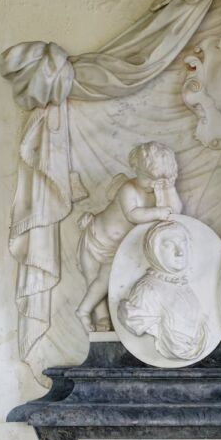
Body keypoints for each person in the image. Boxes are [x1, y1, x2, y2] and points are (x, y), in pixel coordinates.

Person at [76, 141, 182, 333]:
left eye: (160, 180)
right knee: (95, 280)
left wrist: (169, 189)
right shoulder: (129, 188)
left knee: (104, 280)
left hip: (117, 248)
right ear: (136, 169)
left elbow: (174, 212)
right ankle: (88, 313)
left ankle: (97, 317)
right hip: (97, 238)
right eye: (149, 178)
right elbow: (133, 214)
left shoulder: (158, 191)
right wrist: (158, 211)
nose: (153, 184)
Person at [118, 220, 207, 361]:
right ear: (154, 250)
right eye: (169, 245)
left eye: (183, 243)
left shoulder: (183, 286)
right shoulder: (147, 290)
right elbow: (136, 320)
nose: (180, 252)